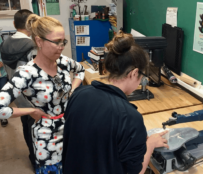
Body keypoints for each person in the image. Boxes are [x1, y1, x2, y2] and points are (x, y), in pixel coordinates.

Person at [0, 14, 85, 174]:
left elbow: (80, 71)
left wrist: (72, 89)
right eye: (56, 42)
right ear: (39, 41)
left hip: (71, 128)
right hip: (46, 136)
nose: (61, 47)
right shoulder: (27, 73)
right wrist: (31, 111)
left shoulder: (64, 62)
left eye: (63, 42)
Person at [62, 32, 169, 174]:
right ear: (134, 73)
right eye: (142, 76)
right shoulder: (130, 117)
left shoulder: (79, 94)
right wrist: (150, 144)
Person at [0, 9, 36, 170]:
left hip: (18, 97)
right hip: (34, 98)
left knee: (26, 124)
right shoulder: (33, 46)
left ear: (14, 24)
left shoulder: (4, 44)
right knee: (38, 128)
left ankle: (32, 156)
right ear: (32, 25)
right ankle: (40, 160)